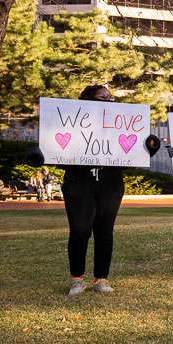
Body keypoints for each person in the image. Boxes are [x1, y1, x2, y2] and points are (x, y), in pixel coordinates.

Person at [32, 84, 157, 295]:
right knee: (80, 231)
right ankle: (77, 278)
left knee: (105, 232)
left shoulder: (117, 123)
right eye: (103, 97)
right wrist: (40, 155)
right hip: (78, 182)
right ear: (88, 99)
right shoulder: (73, 123)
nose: (109, 100)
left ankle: (101, 278)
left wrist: (149, 150)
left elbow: (127, 157)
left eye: (110, 97)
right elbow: (59, 154)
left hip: (110, 182)